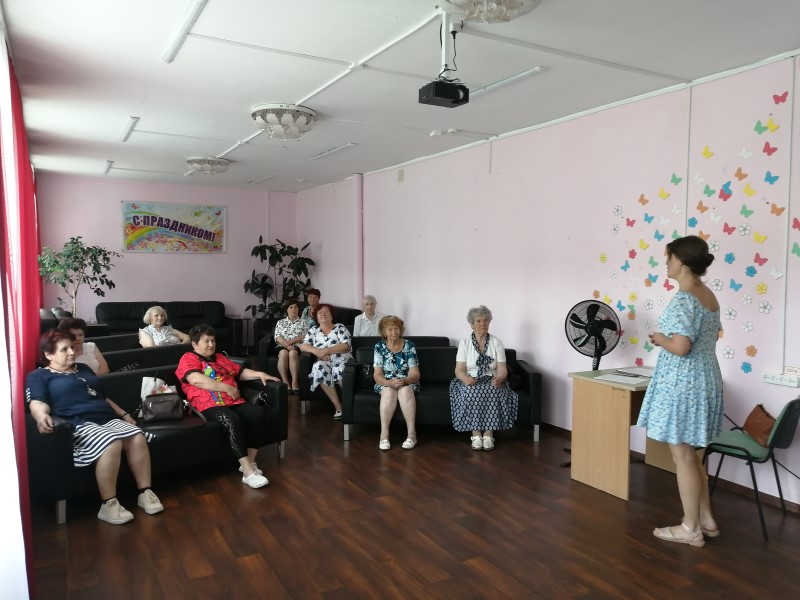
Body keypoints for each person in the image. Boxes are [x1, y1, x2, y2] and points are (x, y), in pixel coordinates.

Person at [637, 235, 723, 548]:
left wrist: (661, 339)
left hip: (684, 384)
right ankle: (706, 519)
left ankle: (690, 528)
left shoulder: (685, 299)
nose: (666, 263)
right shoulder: (708, 295)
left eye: (669, 257)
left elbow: (682, 347)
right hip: (705, 379)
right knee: (693, 456)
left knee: (683, 457)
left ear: (682, 262)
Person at [26, 329, 164, 524]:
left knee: (137, 436)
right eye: (64, 349)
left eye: (72, 347)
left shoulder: (83, 368)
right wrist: (41, 416)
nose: (72, 352)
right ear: (48, 354)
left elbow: (102, 397)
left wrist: (124, 414)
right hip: (78, 422)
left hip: (106, 417)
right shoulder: (39, 376)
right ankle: (109, 504)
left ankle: (145, 492)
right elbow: (37, 401)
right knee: (111, 442)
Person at [176, 324, 281, 489]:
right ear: (195, 344)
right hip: (206, 403)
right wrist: (227, 388)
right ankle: (248, 473)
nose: (211, 344)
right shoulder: (188, 358)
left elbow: (239, 372)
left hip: (232, 400)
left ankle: (250, 462)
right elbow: (195, 379)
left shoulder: (220, 358)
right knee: (233, 420)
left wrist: (259, 373)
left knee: (260, 414)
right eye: (206, 341)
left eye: (213, 340)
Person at [449, 305, 518, 451]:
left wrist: (499, 378)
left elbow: (502, 368)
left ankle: (488, 433)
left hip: (491, 377)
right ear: (472, 324)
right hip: (470, 377)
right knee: (471, 391)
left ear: (489, 322)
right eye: (478, 321)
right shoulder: (465, 342)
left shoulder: (496, 342)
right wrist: (466, 379)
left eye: (486, 320)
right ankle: (475, 433)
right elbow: (459, 369)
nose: (483, 324)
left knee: (493, 390)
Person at [373, 316, 419, 450]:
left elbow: (415, 373)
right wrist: (388, 382)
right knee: (388, 391)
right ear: (384, 332)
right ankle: (384, 435)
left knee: (405, 391)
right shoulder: (379, 347)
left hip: (406, 381)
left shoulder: (409, 345)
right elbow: (377, 374)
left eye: (397, 328)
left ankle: (412, 435)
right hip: (386, 381)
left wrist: (405, 381)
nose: (394, 332)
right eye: (390, 329)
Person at [299, 304, 353, 419]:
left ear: (332, 316)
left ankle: (350, 405)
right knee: (318, 367)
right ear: (316, 318)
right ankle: (338, 407)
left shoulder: (340, 327)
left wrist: (326, 351)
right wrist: (317, 352)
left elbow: (345, 346)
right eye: (320, 313)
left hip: (342, 359)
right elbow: (303, 346)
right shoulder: (313, 330)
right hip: (324, 361)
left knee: (339, 368)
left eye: (326, 312)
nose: (323, 314)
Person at [274, 297, 309, 394]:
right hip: (282, 345)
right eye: (291, 307)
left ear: (298, 309)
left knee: (293, 353)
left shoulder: (304, 322)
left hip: (298, 345)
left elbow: (305, 336)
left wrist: (292, 341)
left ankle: (295, 382)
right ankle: (285, 381)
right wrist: (286, 345)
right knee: (283, 353)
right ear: (287, 309)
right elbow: (278, 336)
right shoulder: (280, 322)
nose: (293, 309)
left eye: (295, 307)